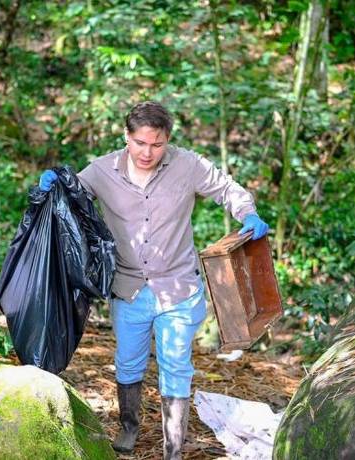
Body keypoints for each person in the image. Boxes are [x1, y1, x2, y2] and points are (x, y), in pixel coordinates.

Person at [39, 101, 268, 459]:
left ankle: (173, 445)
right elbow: (71, 197)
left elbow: (226, 188)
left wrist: (248, 213)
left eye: (157, 144)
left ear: (168, 140)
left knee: (176, 362)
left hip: (178, 286)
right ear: (127, 137)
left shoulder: (187, 165)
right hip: (128, 289)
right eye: (140, 143)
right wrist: (55, 185)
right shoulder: (102, 170)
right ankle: (129, 426)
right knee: (129, 361)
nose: (148, 152)